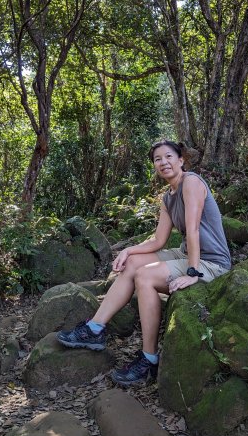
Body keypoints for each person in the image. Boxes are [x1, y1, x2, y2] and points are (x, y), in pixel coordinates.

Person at [57, 139, 231, 385]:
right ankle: (95, 328)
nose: (163, 162)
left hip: (211, 262)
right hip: (185, 254)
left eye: (169, 157)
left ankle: (149, 359)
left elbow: (192, 230)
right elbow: (159, 240)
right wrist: (129, 250)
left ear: (181, 160)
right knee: (133, 264)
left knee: (145, 277)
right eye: (158, 159)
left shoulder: (191, 182)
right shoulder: (168, 198)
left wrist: (193, 272)